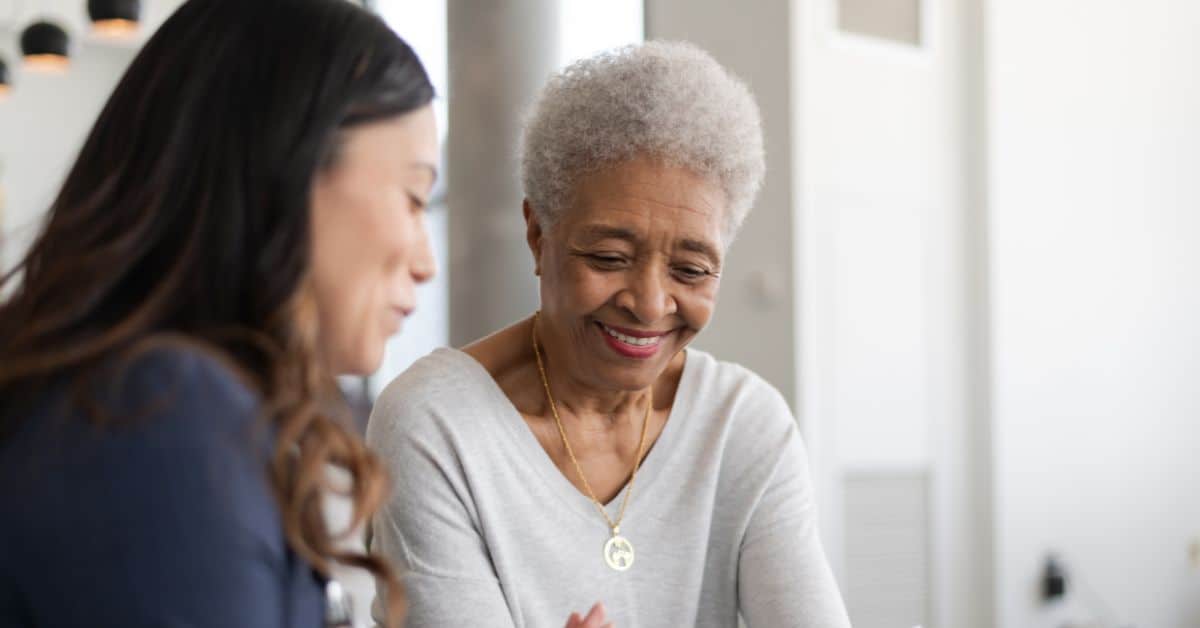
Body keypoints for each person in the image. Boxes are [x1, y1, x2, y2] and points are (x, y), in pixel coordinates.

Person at [366, 41, 851, 627]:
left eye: (691, 270)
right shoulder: (437, 426)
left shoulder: (743, 426)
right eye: (608, 256)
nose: (649, 304)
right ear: (538, 233)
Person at [0, 1, 437, 625]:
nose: (427, 261)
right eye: (415, 197)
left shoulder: (141, 399)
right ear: (289, 169)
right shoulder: (157, 411)